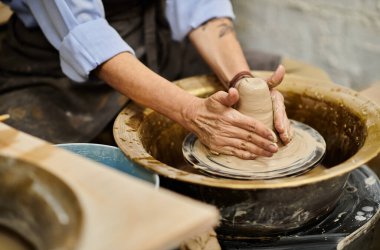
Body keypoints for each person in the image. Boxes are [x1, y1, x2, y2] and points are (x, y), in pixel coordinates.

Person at [0, 0, 292, 159]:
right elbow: (87, 37)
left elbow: (201, 9)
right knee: (26, 170)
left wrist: (242, 83)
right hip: (51, 64)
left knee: (303, 77)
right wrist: (192, 112)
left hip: (154, 39)